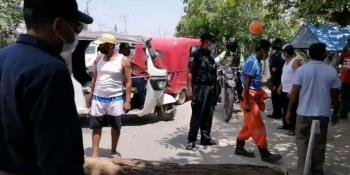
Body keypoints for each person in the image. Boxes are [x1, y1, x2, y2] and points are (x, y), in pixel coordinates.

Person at [0, 0, 92, 174]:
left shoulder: (2, 57)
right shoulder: (51, 69)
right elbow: (59, 156)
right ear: (58, 25)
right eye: (76, 27)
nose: (75, 35)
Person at [287, 42, 340, 175]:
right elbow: (335, 96)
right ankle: (317, 170)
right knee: (320, 143)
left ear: (309, 54)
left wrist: (289, 111)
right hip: (322, 114)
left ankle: (302, 170)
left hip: (303, 113)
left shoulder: (301, 70)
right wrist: (336, 113)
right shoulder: (331, 71)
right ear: (324, 54)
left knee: (301, 140)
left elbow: (294, 93)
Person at [235, 39, 282, 163]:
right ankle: (264, 153)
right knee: (258, 126)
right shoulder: (252, 62)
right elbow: (246, 85)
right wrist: (246, 103)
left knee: (248, 124)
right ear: (262, 50)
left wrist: (267, 83)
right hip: (249, 97)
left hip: (253, 96)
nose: (267, 53)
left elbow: (255, 81)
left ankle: (239, 147)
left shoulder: (257, 62)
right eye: (267, 51)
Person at [89, 33, 132, 158]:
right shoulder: (99, 58)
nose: (100, 47)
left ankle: (113, 151)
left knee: (115, 126)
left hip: (116, 99)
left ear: (111, 46)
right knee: (96, 127)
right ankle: (95, 153)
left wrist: (127, 100)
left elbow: (128, 82)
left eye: (103, 45)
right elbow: (95, 78)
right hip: (98, 97)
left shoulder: (123, 60)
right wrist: (91, 95)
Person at [186, 32, 218, 150]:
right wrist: (189, 89)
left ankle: (205, 138)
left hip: (211, 88)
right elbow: (189, 71)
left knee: (208, 114)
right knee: (197, 115)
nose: (212, 44)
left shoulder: (211, 56)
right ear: (206, 41)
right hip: (199, 88)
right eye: (211, 41)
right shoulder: (195, 54)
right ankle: (191, 140)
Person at [279, 44, 302, 135]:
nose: (283, 53)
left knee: (292, 109)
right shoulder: (285, 62)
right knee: (285, 108)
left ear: (288, 52)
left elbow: (298, 77)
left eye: (284, 52)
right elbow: (284, 75)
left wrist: (292, 90)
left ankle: (293, 128)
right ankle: (286, 125)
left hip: (292, 90)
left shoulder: (295, 62)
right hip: (284, 89)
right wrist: (280, 86)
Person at [268, 38, 285, 120]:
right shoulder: (277, 54)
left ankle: (277, 113)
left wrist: (273, 80)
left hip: (278, 78)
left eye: (275, 43)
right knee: (275, 97)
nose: (273, 45)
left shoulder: (280, 54)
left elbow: (275, 66)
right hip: (277, 77)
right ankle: (276, 112)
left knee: (276, 97)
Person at [337, 38, 350, 119]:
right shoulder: (345, 53)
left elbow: (339, 62)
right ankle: (343, 113)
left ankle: (343, 113)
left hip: (345, 79)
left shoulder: (345, 53)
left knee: (345, 97)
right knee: (345, 97)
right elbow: (339, 62)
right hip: (345, 79)